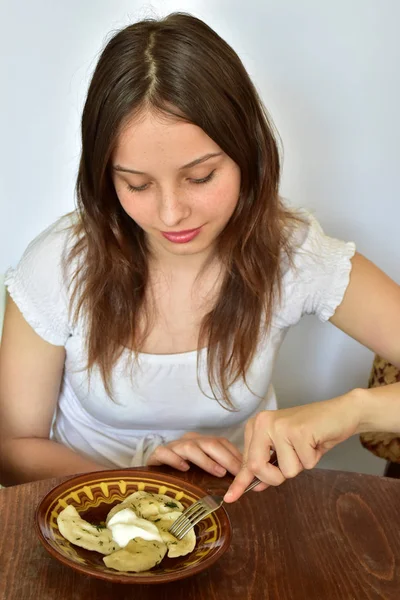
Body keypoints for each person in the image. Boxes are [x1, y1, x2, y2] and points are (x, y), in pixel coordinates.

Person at [1, 13, 399, 499]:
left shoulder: (291, 254)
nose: (171, 214)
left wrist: (354, 410)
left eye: (200, 177)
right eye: (137, 184)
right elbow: (13, 448)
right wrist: (138, 483)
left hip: (227, 517)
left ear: (247, 154)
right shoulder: (60, 265)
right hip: (85, 515)